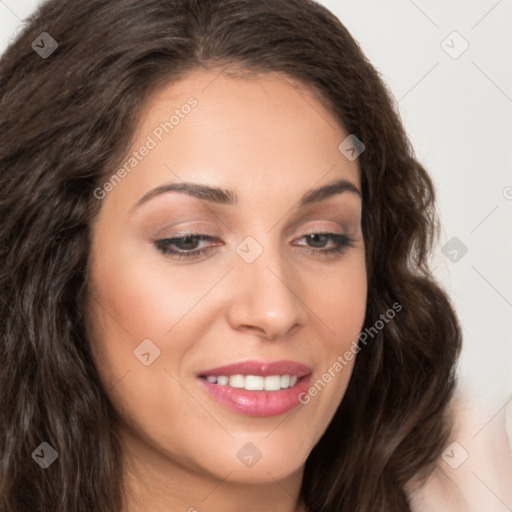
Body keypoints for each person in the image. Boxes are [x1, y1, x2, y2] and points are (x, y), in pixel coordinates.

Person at [2, 0, 508, 510]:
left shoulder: (478, 482)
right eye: (189, 240)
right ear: (58, 268)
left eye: (320, 237)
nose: (275, 310)